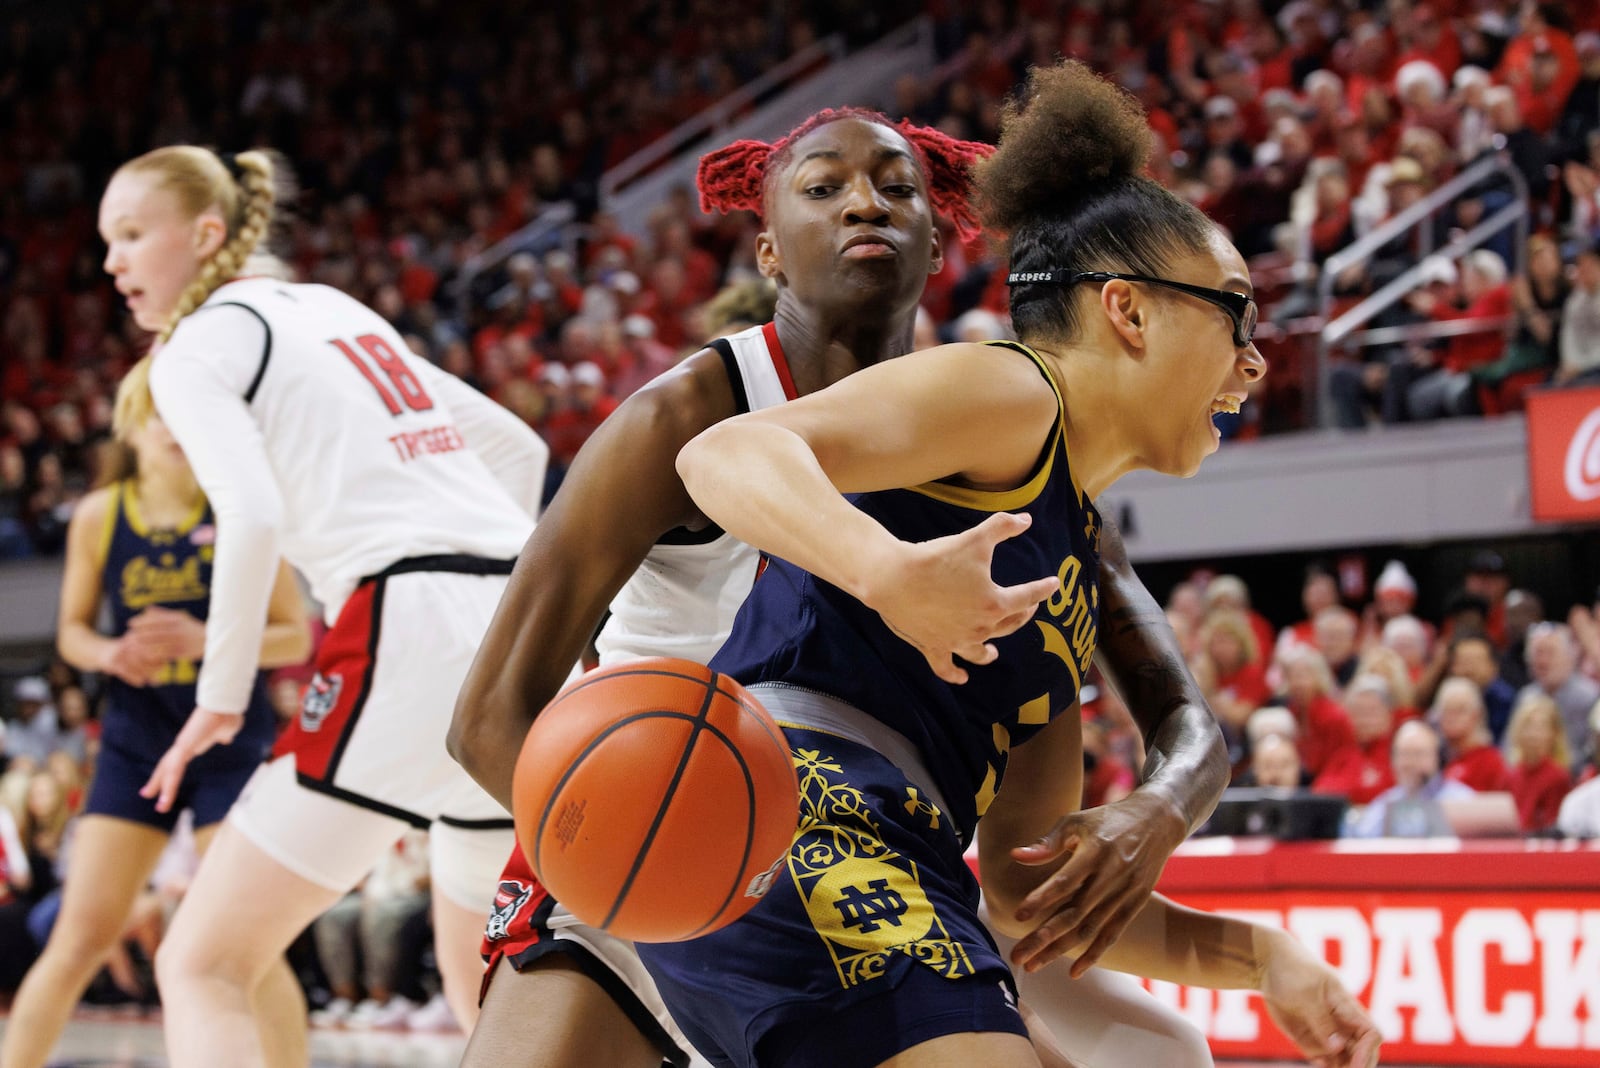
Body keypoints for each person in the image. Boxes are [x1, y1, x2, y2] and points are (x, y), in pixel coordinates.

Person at [452, 93, 1375, 1068]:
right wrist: (886, 572)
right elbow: (721, 458)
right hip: (722, 802)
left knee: (1160, 1054)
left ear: (939, 242)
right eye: (1236, 312)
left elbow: (1030, 892)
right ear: (1127, 310)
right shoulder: (1004, 390)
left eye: (895, 187)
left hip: (868, 855)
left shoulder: (1059, 559)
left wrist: (1261, 955)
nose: (1255, 359)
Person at [92, 144, 548, 1067]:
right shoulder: (336, 310)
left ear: (207, 233)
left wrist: (218, 701)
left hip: (406, 622)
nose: (112, 263)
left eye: (132, 235)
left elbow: (253, 514)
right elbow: (518, 447)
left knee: (203, 964)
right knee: (488, 1000)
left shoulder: (193, 347)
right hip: (519, 623)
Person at [1, 361, 311, 1068]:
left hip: (228, 739)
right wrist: (111, 655)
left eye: (186, 413)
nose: (173, 429)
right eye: (158, 414)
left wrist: (210, 641)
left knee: (250, 945)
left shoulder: (242, 508)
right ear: (130, 426)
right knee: (80, 936)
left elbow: (295, 634)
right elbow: (72, 632)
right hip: (137, 736)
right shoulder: (101, 515)